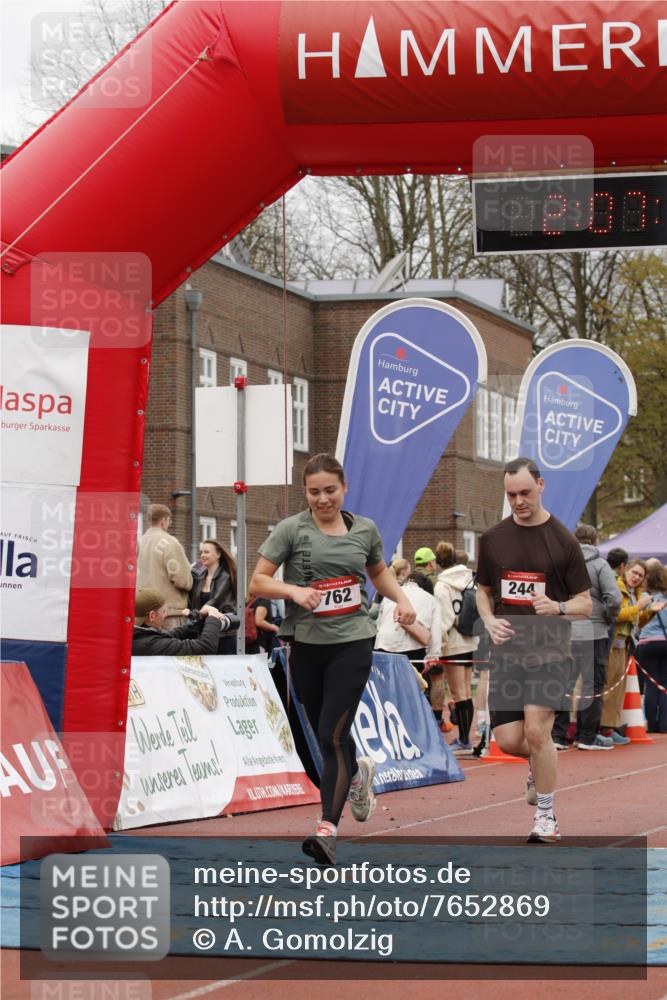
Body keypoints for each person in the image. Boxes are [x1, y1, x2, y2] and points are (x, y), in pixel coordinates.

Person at [249, 453, 416, 866]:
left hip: (353, 641)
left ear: (344, 488)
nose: (322, 499)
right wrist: (293, 592)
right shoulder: (292, 529)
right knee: (325, 734)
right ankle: (357, 776)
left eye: (330, 490)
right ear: (305, 492)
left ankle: (327, 829)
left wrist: (402, 598)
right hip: (306, 643)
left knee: (332, 734)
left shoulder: (365, 530)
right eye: (314, 492)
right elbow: (258, 580)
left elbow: (378, 573)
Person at [476, 458, 591, 844]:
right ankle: (537, 764)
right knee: (510, 739)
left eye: (525, 492)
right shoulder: (493, 539)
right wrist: (490, 621)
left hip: (550, 654)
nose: (518, 501)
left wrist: (557, 607)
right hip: (508, 654)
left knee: (539, 733)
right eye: (511, 495)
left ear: (541, 485)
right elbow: (484, 591)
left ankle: (546, 816)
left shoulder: (563, 540)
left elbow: (585, 604)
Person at [551, 524, 622, 751]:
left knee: (564, 684)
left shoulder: (561, 565)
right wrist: (608, 618)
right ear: (595, 541)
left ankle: (559, 736)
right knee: (592, 686)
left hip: (566, 632)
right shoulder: (601, 565)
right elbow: (614, 599)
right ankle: (586, 737)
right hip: (595, 632)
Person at [434, 541, 479, 755]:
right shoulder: (470, 579)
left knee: (459, 693)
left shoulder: (442, 586)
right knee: (466, 691)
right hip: (470, 639)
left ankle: (464, 741)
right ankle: (466, 739)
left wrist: (437, 648)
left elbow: (444, 620)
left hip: (453, 643)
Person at [601, 558, 652, 743]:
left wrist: (649, 612)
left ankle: (609, 728)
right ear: (626, 570)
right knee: (607, 687)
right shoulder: (617, 588)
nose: (636, 577)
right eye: (634, 573)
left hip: (625, 645)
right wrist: (638, 607)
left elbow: (635, 621)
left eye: (640, 575)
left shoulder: (635, 593)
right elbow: (617, 615)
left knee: (616, 691)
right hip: (611, 643)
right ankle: (603, 730)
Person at [132, 588, 235, 656]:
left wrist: (198, 620)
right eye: (164, 611)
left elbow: (168, 636)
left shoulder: (136, 635)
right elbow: (205, 647)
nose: (166, 615)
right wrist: (213, 617)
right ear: (152, 616)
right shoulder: (150, 644)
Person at [137, 504, 193, 628]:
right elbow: (182, 580)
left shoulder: (138, 543)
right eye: (169, 520)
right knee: (171, 646)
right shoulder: (170, 542)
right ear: (164, 520)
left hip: (142, 614)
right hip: (168, 612)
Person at [375, 570, 442, 667]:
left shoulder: (390, 595)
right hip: (413, 650)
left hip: (384, 646)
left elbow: (379, 623)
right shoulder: (432, 600)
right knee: (411, 682)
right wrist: (432, 656)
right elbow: (436, 631)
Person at [188, 539, 238, 654]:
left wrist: (193, 614)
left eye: (206, 552)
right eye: (201, 552)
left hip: (223, 634)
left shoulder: (225, 577)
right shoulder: (200, 578)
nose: (202, 555)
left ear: (218, 554)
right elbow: (194, 603)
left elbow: (214, 602)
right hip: (205, 634)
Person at [636, 564, 667, 733]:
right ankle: (664, 724)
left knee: (651, 684)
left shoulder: (645, 598)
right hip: (665, 641)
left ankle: (652, 725)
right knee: (664, 684)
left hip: (647, 642)